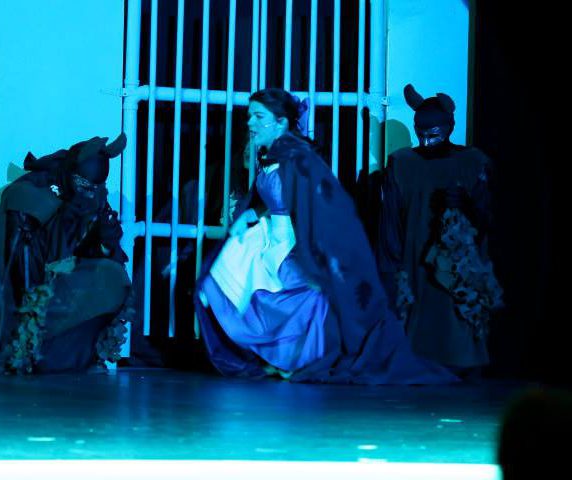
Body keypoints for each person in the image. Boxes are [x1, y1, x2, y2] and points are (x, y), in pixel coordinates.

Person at [194, 88, 456, 384]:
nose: (250, 123)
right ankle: (277, 356)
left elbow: (325, 207)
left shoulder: (299, 158)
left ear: (280, 122)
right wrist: (250, 214)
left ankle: (303, 359)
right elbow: (273, 199)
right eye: (249, 116)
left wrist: (321, 252)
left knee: (305, 297)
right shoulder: (270, 155)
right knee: (232, 280)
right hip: (270, 239)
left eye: (258, 116)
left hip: (295, 242)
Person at [0, 134, 133, 374]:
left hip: (61, 288)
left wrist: (105, 241)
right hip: (28, 295)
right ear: (71, 174)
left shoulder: (91, 196)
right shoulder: (30, 197)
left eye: (97, 187)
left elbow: (93, 255)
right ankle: (28, 354)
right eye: (84, 185)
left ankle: (74, 355)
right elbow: (18, 274)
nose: (91, 193)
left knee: (113, 276)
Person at [377, 84, 503, 376]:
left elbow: (491, 218)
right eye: (420, 133)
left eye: (433, 133)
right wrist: (391, 270)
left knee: (455, 328)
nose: (426, 141)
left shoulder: (473, 162)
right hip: (414, 259)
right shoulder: (402, 163)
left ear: (449, 127)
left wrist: (467, 205)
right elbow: (391, 222)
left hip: (458, 263)